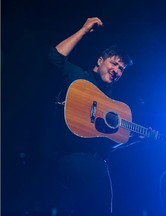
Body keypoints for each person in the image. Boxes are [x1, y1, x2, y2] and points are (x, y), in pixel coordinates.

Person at [46, 17, 133, 216]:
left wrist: (128, 139)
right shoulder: (79, 78)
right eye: (114, 63)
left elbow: (104, 145)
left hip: (94, 168)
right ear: (100, 61)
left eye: (121, 69)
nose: (117, 71)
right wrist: (84, 30)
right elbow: (54, 58)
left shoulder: (112, 105)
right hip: (67, 158)